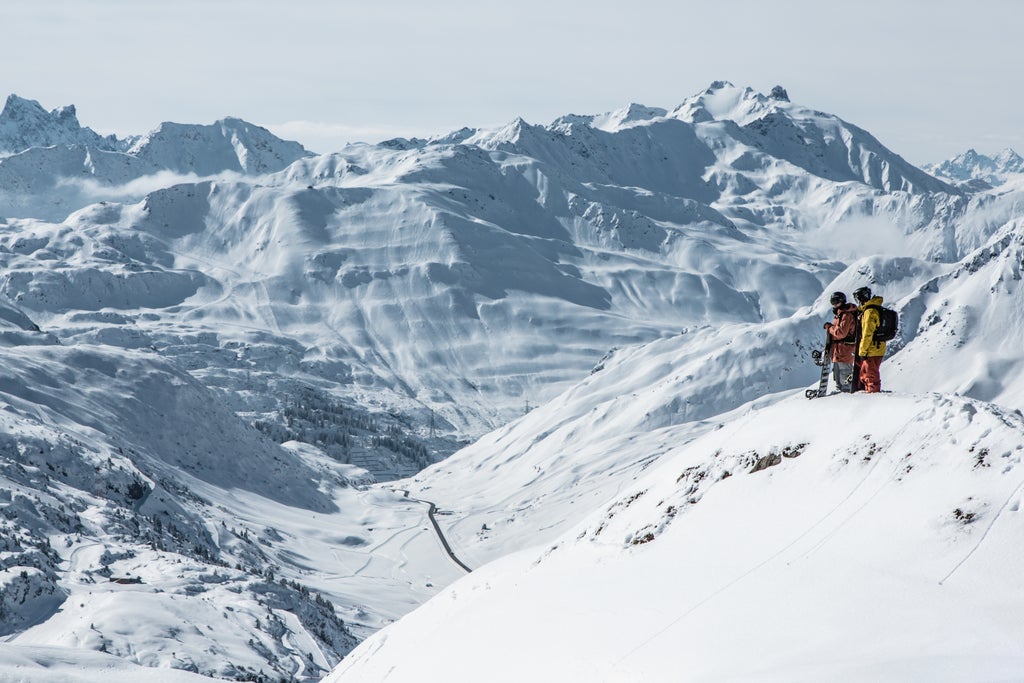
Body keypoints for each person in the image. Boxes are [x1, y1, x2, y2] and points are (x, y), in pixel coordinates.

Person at [853, 285, 886, 393]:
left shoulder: (869, 312)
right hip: (876, 347)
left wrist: (862, 351)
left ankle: (873, 396)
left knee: (870, 375)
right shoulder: (872, 309)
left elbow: (867, 334)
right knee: (865, 373)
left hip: (872, 348)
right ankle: (869, 393)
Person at [824, 291, 858, 392]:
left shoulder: (846, 315)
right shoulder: (839, 315)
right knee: (838, 377)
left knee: (845, 378)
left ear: (842, 301)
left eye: (836, 301)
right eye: (832, 302)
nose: (834, 304)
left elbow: (840, 333)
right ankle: (840, 398)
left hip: (845, 350)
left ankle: (847, 398)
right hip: (838, 351)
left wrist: (829, 328)